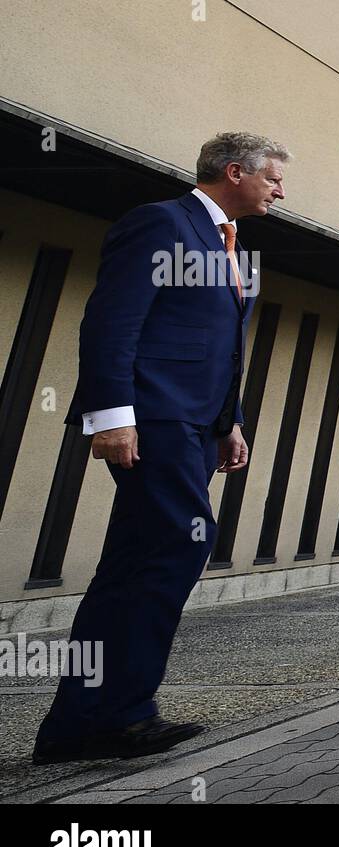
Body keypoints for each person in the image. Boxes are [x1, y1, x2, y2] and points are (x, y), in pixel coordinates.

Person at [33, 132, 288, 765]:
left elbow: (223, 348)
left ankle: (77, 725)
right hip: (153, 421)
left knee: (132, 565)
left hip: (198, 428)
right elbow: (112, 321)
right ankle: (124, 713)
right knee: (181, 541)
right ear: (236, 172)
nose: (280, 190)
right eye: (273, 178)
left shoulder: (235, 249)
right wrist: (113, 417)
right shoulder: (159, 224)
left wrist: (231, 421)